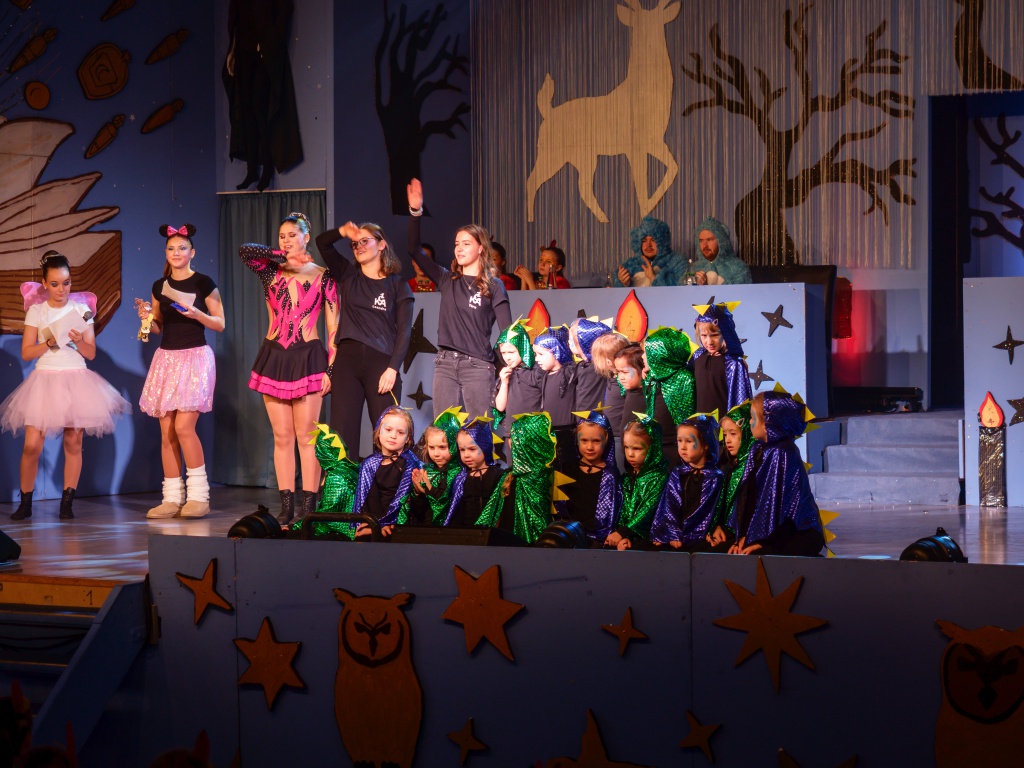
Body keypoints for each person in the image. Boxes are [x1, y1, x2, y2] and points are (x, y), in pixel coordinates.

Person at [1, 251, 131, 521]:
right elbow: (26, 352)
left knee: (73, 442)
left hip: (76, 377)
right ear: (45, 283)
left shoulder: (81, 311)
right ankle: (25, 503)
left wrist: (78, 340)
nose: (62, 289)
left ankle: (66, 503)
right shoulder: (37, 311)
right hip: (45, 379)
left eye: (67, 282)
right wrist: (49, 343)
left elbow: (91, 352)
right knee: (32, 445)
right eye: (55, 283)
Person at [240, 211, 339, 524]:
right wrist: (282, 255)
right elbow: (245, 250)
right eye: (282, 236)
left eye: (292, 235)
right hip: (274, 357)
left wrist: (331, 369)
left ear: (306, 237)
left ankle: (309, 506)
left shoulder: (324, 276)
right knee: (281, 437)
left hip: (308, 357)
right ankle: (286, 506)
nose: (286, 240)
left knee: (307, 437)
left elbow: (334, 327)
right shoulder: (270, 271)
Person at [138, 224, 225, 519]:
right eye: (172, 249)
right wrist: (146, 318)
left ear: (192, 252)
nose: (176, 253)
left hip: (195, 357)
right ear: (166, 253)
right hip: (167, 359)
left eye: (182, 248)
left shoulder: (203, 282)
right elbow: (157, 326)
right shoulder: (159, 286)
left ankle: (199, 497)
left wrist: (197, 314)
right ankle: (172, 498)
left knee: (184, 427)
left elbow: (220, 323)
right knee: (167, 432)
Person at [406, 179, 512, 421]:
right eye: (456, 244)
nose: (459, 249)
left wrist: (501, 364)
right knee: (444, 432)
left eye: (466, 244)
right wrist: (415, 211)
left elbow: (507, 332)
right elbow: (413, 249)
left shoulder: (494, 286)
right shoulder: (447, 279)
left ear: (481, 248)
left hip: (478, 366)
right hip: (444, 364)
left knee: (478, 431)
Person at [315, 219, 413, 457]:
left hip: (382, 363)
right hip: (347, 362)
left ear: (381, 245)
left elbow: (404, 331)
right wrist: (342, 231)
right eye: (355, 244)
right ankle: (343, 481)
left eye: (365, 241)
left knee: (387, 431)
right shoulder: (348, 275)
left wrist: (392, 368)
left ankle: (386, 479)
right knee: (342, 431)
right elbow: (322, 243)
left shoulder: (398, 285)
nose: (358, 247)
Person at [729, 391, 824, 556]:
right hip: (770, 533)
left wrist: (762, 541)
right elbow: (750, 498)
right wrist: (744, 535)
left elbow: (781, 507)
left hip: (795, 531)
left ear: (769, 422)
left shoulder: (783, 453)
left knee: (761, 554)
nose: (750, 422)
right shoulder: (757, 450)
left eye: (753, 418)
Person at [651, 414, 726, 551]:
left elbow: (710, 511)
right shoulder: (677, 473)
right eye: (679, 441)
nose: (683, 447)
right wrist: (673, 534)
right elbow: (670, 506)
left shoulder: (715, 477)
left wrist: (704, 531)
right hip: (675, 535)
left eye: (689, 441)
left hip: (699, 536)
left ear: (706, 444)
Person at [351, 406, 421, 538]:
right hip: (372, 521)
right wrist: (373, 525)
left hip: (398, 522)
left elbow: (401, 499)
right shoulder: (369, 463)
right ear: (379, 432)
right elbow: (366, 499)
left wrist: (385, 524)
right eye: (388, 430)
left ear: (408, 438)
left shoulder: (409, 463)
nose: (393, 436)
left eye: (400, 432)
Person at [557, 410, 620, 547]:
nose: (590, 447)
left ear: (606, 440)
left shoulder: (611, 474)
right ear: (577, 440)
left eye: (596, 441)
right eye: (584, 440)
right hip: (569, 536)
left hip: (600, 540)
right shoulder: (567, 469)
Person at [607, 416, 668, 550]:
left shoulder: (659, 477)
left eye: (637, 448)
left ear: (653, 448)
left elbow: (647, 511)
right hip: (626, 535)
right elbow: (622, 511)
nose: (630, 454)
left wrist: (623, 532)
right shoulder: (626, 478)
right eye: (626, 447)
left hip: (650, 538)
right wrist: (623, 536)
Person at [642, 326, 696, 467]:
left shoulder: (683, 378)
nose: (642, 357)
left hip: (674, 447)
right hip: (654, 444)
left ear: (660, 355)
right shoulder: (652, 378)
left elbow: (686, 416)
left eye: (646, 353)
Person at [403, 407, 465, 526]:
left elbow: (447, 507)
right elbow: (418, 512)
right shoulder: (427, 471)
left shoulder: (459, 474)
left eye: (442, 447)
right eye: (431, 447)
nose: (436, 453)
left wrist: (429, 489)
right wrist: (417, 493)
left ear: (454, 445)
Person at [692, 302, 752, 416]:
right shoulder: (697, 355)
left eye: (715, 335)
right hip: (700, 423)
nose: (709, 342)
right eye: (704, 336)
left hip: (723, 423)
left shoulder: (733, 363)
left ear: (726, 333)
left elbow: (740, 403)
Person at [446, 418, 508, 528]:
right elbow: (457, 513)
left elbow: (501, 510)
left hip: (489, 533)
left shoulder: (498, 476)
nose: (466, 455)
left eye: (472, 449)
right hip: (465, 534)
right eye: (462, 450)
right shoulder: (461, 479)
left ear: (485, 447)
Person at [533, 327, 577, 471]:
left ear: (556, 351)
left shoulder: (570, 373)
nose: (536, 359)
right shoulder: (545, 376)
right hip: (548, 433)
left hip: (567, 433)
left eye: (541, 354)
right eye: (535, 354)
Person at [492, 320, 542, 436]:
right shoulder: (505, 375)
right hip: (512, 433)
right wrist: (504, 383)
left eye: (511, 352)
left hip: (534, 432)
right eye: (503, 353)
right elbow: (500, 407)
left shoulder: (536, 372)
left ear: (523, 348)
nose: (507, 357)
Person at [613, 216, 688, 287]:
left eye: (653, 240)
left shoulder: (676, 263)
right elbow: (618, 293)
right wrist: (624, 283)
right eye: (644, 240)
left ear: (662, 242)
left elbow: (680, 291)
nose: (648, 245)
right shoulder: (630, 266)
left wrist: (654, 278)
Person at [589, 332, 630, 452]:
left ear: (609, 362)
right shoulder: (612, 377)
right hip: (610, 431)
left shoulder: (624, 381)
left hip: (620, 434)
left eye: (597, 357)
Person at [718, 401, 754, 533]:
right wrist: (716, 527)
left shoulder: (754, 468)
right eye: (725, 434)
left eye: (733, 434)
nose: (727, 440)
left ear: (746, 433)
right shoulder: (728, 467)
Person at [690, 217, 752, 286]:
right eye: (701, 241)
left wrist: (705, 288)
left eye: (709, 240)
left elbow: (738, 292)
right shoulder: (694, 268)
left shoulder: (738, 269)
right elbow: (684, 288)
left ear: (721, 241)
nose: (704, 245)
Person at [569, 318, 612, 415]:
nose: (568, 342)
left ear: (583, 341)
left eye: (571, 339)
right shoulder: (583, 366)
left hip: (590, 418)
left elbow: (587, 400)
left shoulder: (595, 369)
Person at [613, 343, 647, 437]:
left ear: (643, 369)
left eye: (625, 372)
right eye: (618, 372)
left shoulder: (647, 396)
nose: (621, 377)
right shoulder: (630, 392)